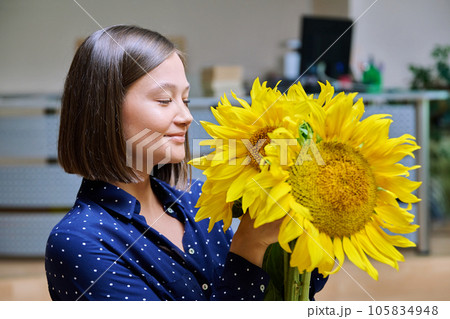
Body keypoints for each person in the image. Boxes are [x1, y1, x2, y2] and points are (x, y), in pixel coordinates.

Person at [45, 25, 327, 301]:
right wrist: (249, 246)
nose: (186, 116)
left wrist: (306, 235)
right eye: (165, 100)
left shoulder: (197, 198)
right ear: (104, 108)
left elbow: (282, 292)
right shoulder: (79, 243)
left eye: (186, 99)